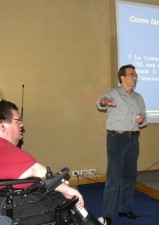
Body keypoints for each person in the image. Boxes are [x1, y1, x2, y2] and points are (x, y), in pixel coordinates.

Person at [0, 99, 105, 225]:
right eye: (18, 121)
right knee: (67, 198)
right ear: (2, 124)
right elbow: (36, 170)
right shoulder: (4, 148)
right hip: (14, 204)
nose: (22, 125)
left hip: (10, 200)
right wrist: (67, 189)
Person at [96, 64, 147, 225]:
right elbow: (101, 101)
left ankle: (125, 209)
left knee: (129, 177)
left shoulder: (138, 97)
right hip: (116, 139)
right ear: (122, 77)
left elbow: (144, 117)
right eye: (131, 75)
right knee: (114, 178)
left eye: (136, 75)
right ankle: (108, 215)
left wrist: (141, 120)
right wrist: (104, 102)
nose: (135, 77)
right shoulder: (114, 93)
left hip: (133, 139)